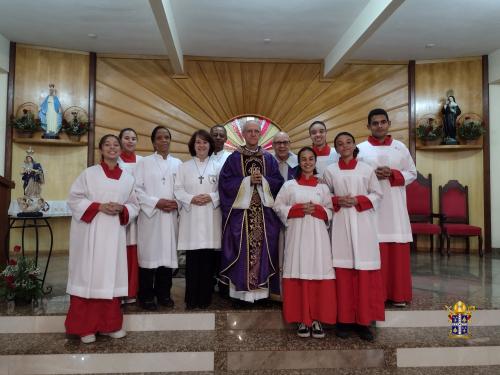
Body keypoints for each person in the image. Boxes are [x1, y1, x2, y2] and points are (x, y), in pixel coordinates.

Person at [65, 134, 139, 344]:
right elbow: (74, 199)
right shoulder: (89, 174)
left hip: (114, 235)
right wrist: (99, 206)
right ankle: (85, 328)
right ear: (101, 149)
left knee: (111, 277)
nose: (112, 148)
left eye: (116, 145)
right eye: (108, 144)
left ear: (120, 149)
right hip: (91, 233)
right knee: (89, 276)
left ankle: (110, 325)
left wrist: (122, 208)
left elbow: (135, 205)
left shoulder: (128, 178)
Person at [323, 131, 385, 342]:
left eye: (349, 142)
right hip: (341, 226)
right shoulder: (330, 171)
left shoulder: (367, 170)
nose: (345, 146)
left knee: (364, 273)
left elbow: (377, 194)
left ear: (353, 145)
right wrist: (337, 200)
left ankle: (364, 322)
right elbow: (324, 196)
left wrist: (358, 200)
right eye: (340, 144)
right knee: (343, 274)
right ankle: (345, 320)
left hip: (363, 225)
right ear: (336, 148)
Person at [218, 120, 284, 304]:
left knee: (264, 251)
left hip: (263, 215)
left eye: (256, 131)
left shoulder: (268, 158)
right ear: (243, 135)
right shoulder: (233, 158)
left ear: (260, 135)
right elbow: (224, 184)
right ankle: (240, 295)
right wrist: (246, 182)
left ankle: (261, 293)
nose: (253, 134)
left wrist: (263, 181)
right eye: (250, 131)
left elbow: (278, 183)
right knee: (241, 252)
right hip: (241, 215)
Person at [274, 147, 336, 338]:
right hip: (297, 237)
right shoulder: (289, 186)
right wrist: (298, 209)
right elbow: (278, 206)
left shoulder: (323, 187)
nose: (307, 162)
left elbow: (331, 210)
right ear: (298, 162)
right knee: (298, 271)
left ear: (315, 162)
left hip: (318, 237)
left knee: (318, 272)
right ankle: (302, 318)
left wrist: (317, 209)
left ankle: (317, 319)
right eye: (303, 159)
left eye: (311, 159)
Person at [357, 109, 417, 307]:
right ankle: (377, 295)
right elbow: (355, 176)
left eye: (383, 122)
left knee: (396, 250)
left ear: (389, 123)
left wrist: (393, 173)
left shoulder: (400, 148)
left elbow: (412, 173)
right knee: (374, 250)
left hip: (395, 206)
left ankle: (398, 294)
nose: (379, 126)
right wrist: (372, 175)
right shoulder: (360, 149)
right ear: (368, 126)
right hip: (372, 208)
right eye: (375, 123)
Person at [134, 126, 181, 311]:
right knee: (148, 257)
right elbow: (136, 189)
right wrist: (156, 202)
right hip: (150, 217)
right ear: (153, 142)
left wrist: (177, 202)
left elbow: (182, 188)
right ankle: (145, 295)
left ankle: (164, 294)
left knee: (167, 257)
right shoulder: (143, 163)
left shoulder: (178, 163)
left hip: (170, 217)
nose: (164, 140)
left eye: (167, 137)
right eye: (160, 138)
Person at [174, 130, 221, 309]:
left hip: (210, 215)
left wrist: (211, 197)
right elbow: (177, 189)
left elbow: (223, 190)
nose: (201, 146)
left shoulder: (217, 166)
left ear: (210, 145)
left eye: (205, 143)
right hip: (191, 216)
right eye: (198, 143)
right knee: (193, 261)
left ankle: (205, 298)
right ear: (193, 146)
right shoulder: (183, 167)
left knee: (208, 260)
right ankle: (191, 299)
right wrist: (191, 198)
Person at [117, 128, 142, 304]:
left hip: (141, 210)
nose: (130, 141)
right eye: (126, 138)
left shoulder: (143, 161)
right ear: (120, 140)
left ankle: (133, 290)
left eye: (134, 138)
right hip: (121, 210)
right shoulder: (114, 161)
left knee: (137, 251)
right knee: (121, 250)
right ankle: (119, 290)